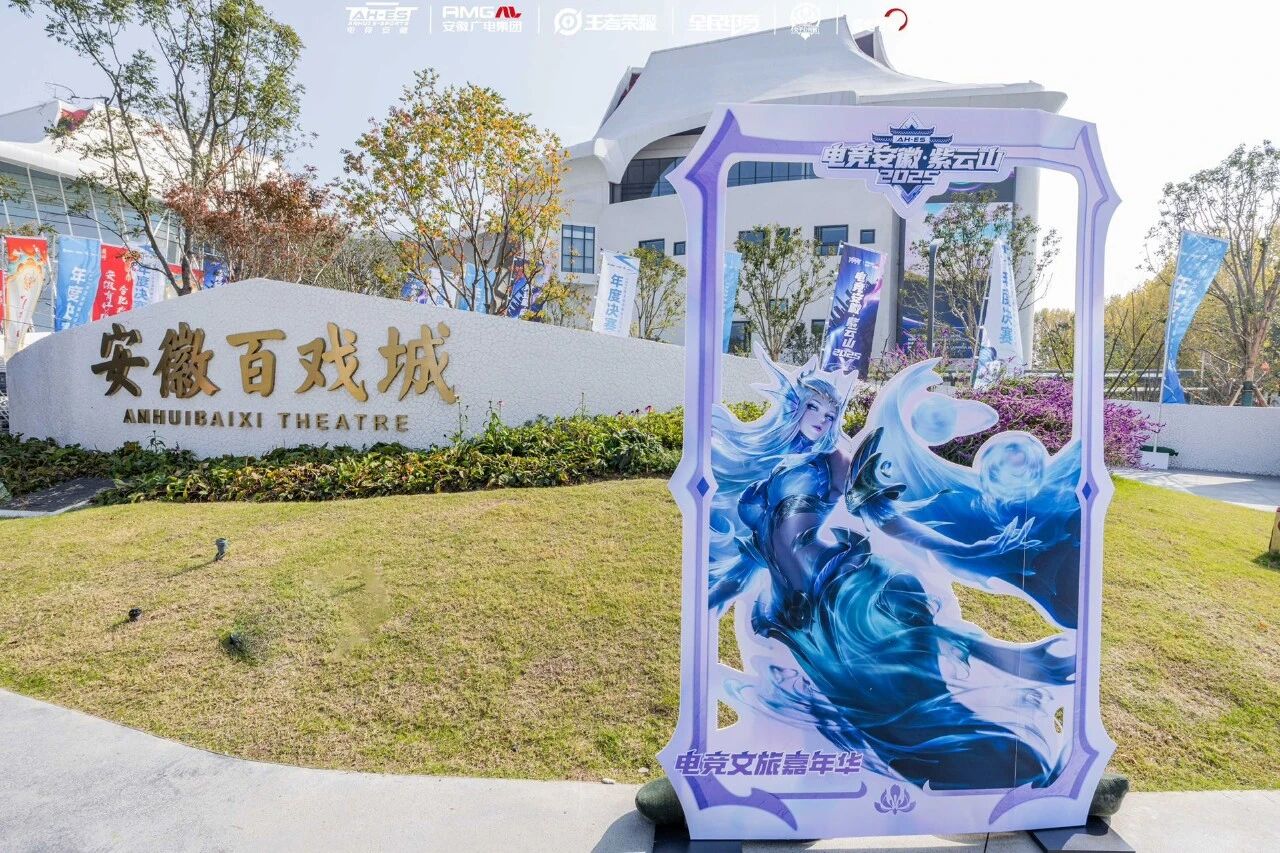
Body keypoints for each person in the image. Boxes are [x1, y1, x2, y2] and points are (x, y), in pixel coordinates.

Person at [707, 349, 1076, 790]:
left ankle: (1015, 741)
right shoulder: (768, 465)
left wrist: (966, 547)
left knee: (910, 698)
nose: (823, 420)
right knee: (879, 721)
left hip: (851, 586)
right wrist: (710, 600)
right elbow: (755, 549)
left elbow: (889, 519)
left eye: (831, 413)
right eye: (814, 408)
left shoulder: (835, 460)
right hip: (799, 614)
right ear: (794, 407)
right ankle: (986, 757)